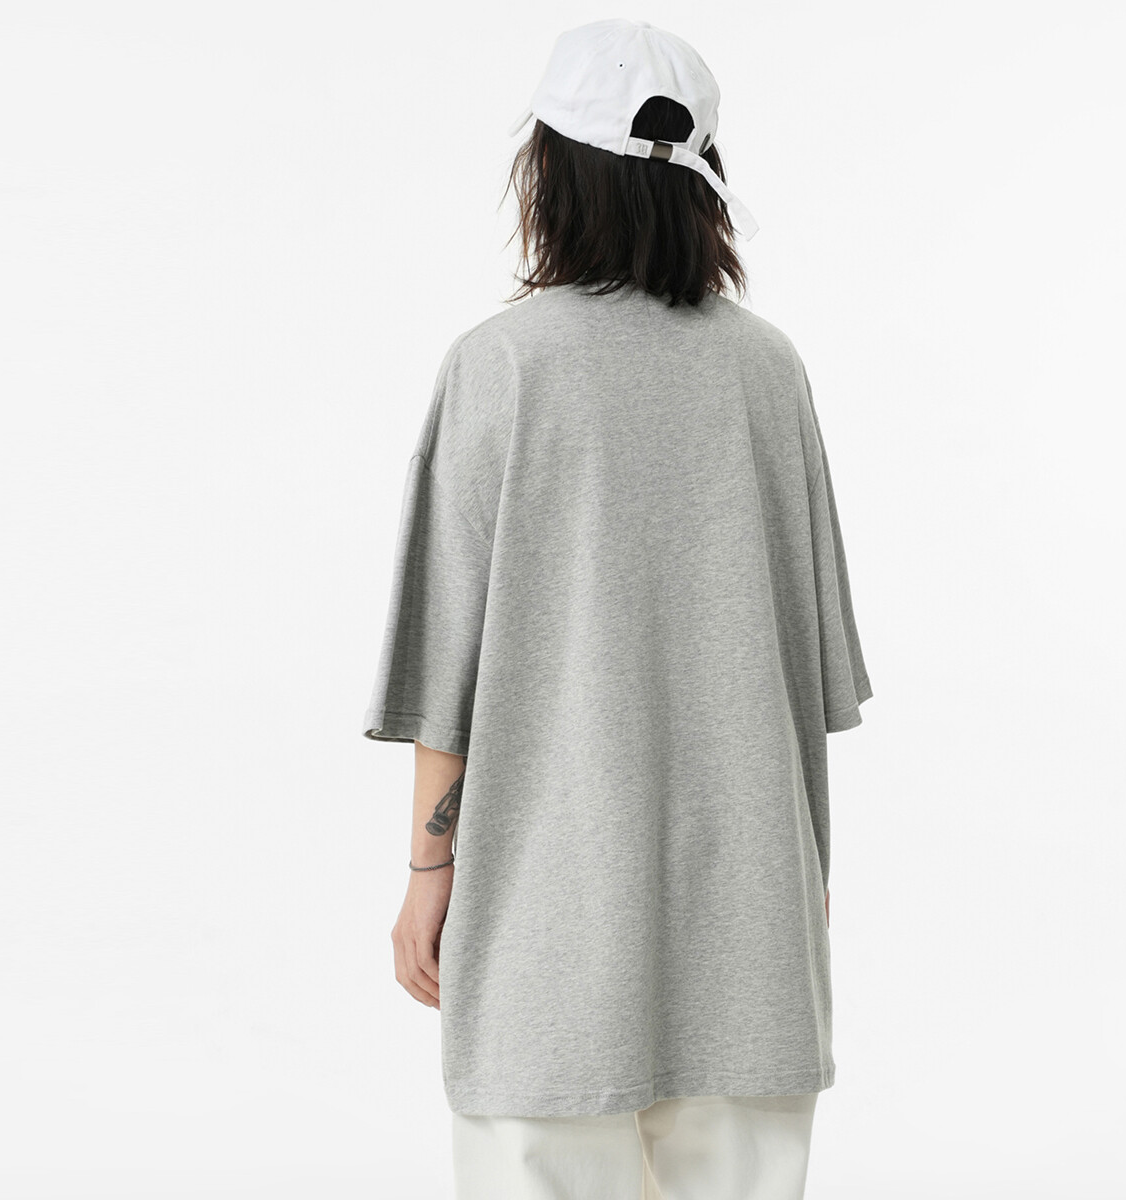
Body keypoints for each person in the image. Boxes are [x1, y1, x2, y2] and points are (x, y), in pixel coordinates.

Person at [361, 18, 873, 1200]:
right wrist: (803, 876)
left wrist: (428, 871)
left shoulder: (502, 365)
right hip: (754, 934)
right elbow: (808, 665)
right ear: (704, 183)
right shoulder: (769, 369)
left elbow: (446, 666)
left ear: (552, 169)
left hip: (547, 932)